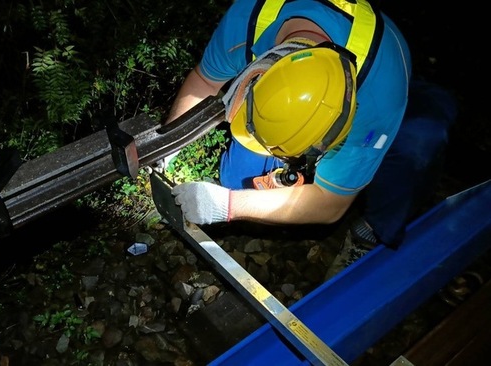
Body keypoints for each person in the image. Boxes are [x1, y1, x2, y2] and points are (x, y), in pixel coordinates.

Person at [164, 0, 457, 280]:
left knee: (417, 146)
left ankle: (371, 232)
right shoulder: (248, 21)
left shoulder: (379, 96)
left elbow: (331, 204)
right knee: (238, 178)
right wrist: (168, 145)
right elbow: (204, 81)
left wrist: (227, 206)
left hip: (382, 86)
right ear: (254, 77)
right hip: (319, 79)